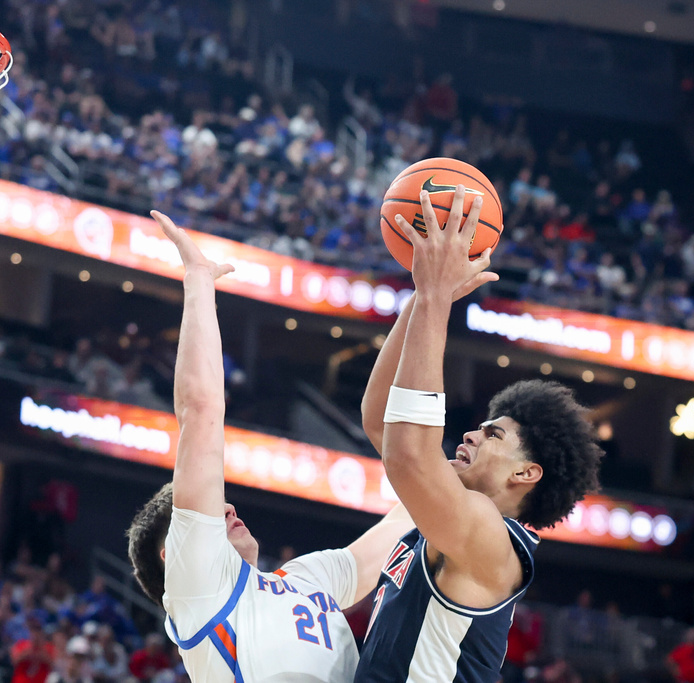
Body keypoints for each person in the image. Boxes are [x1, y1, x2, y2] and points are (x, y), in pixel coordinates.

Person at [126, 211, 415, 682]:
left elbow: (404, 519)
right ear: (173, 555)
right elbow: (201, 413)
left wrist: (428, 295)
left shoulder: (306, 578)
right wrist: (199, 281)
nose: (227, 507)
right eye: (207, 514)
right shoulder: (199, 589)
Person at [353, 186, 603, 683]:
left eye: (493, 434)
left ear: (527, 472)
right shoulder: (448, 514)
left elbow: (408, 454)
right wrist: (423, 297)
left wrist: (435, 297)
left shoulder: (493, 541)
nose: (470, 434)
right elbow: (382, 418)